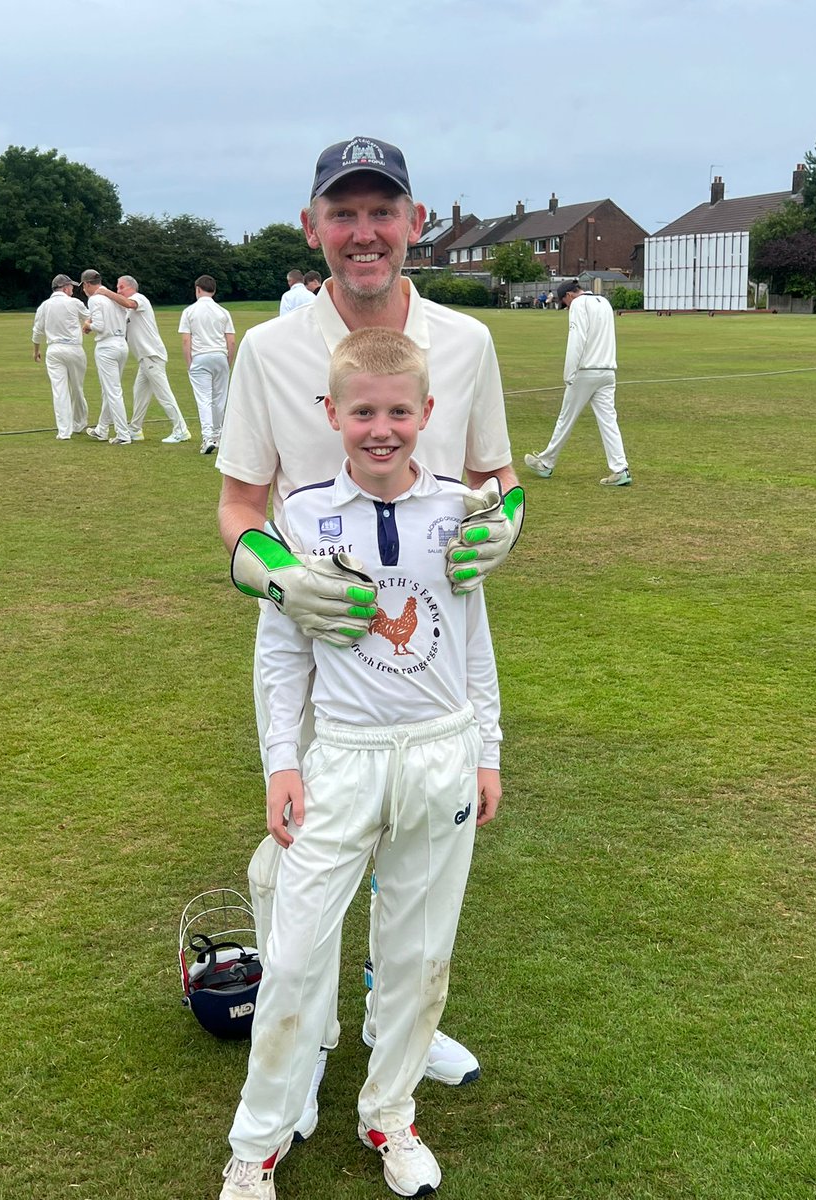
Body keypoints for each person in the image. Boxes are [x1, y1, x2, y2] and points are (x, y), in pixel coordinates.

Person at [216, 134, 524, 1169]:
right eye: (341, 213)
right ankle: (298, 1067)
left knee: (417, 886)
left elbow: (493, 476)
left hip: (428, 654)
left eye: (380, 211)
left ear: (414, 221)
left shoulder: (466, 345)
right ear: (314, 228)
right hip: (321, 655)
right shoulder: (268, 352)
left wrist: (508, 520)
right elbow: (238, 507)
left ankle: (403, 1039)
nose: (362, 232)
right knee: (295, 870)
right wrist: (276, 577)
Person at [524, 278, 632, 485]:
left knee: (566, 419)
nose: (566, 307)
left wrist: (568, 374)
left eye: (565, 303)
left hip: (586, 371)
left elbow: (577, 340)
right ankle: (620, 469)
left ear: (570, 295)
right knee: (609, 421)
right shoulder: (604, 302)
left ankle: (546, 463)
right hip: (608, 371)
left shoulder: (579, 304)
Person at [92, 276, 191, 443]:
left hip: (152, 355)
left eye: (119, 288)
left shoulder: (138, 299)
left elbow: (129, 303)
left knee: (164, 395)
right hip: (144, 359)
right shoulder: (127, 309)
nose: (118, 291)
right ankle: (135, 430)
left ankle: (181, 429)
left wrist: (106, 292)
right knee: (139, 394)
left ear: (127, 286)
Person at [178, 275, 236, 454]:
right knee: (219, 398)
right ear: (214, 291)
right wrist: (228, 361)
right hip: (220, 355)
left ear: (197, 289)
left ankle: (208, 437)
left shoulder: (189, 311)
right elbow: (231, 341)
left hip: (200, 356)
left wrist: (189, 362)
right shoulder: (223, 312)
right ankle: (218, 436)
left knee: (204, 398)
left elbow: (186, 340)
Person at [31, 274, 89, 439]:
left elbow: (37, 331)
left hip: (54, 350)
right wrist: (87, 326)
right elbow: (90, 317)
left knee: (59, 391)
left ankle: (64, 431)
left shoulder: (44, 306)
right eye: (71, 287)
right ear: (64, 288)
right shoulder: (74, 303)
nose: (72, 290)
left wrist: (36, 351)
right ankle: (79, 423)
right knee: (77, 388)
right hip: (74, 349)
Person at [80, 270, 131, 445]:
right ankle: (102, 429)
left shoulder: (94, 299)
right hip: (121, 344)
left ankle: (123, 433)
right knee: (108, 390)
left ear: (87, 284)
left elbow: (100, 326)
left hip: (107, 346)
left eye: (84, 286)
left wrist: (87, 325)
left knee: (113, 391)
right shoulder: (113, 297)